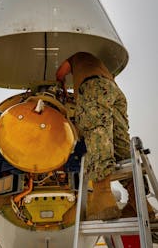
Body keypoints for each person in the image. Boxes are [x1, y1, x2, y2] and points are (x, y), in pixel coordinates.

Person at [56, 52, 131, 221]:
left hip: (93, 88)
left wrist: (61, 84)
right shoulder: (96, 63)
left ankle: (103, 198)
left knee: (96, 134)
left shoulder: (76, 57)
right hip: (114, 90)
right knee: (120, 143)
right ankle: (137, 202)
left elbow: (60, 73)